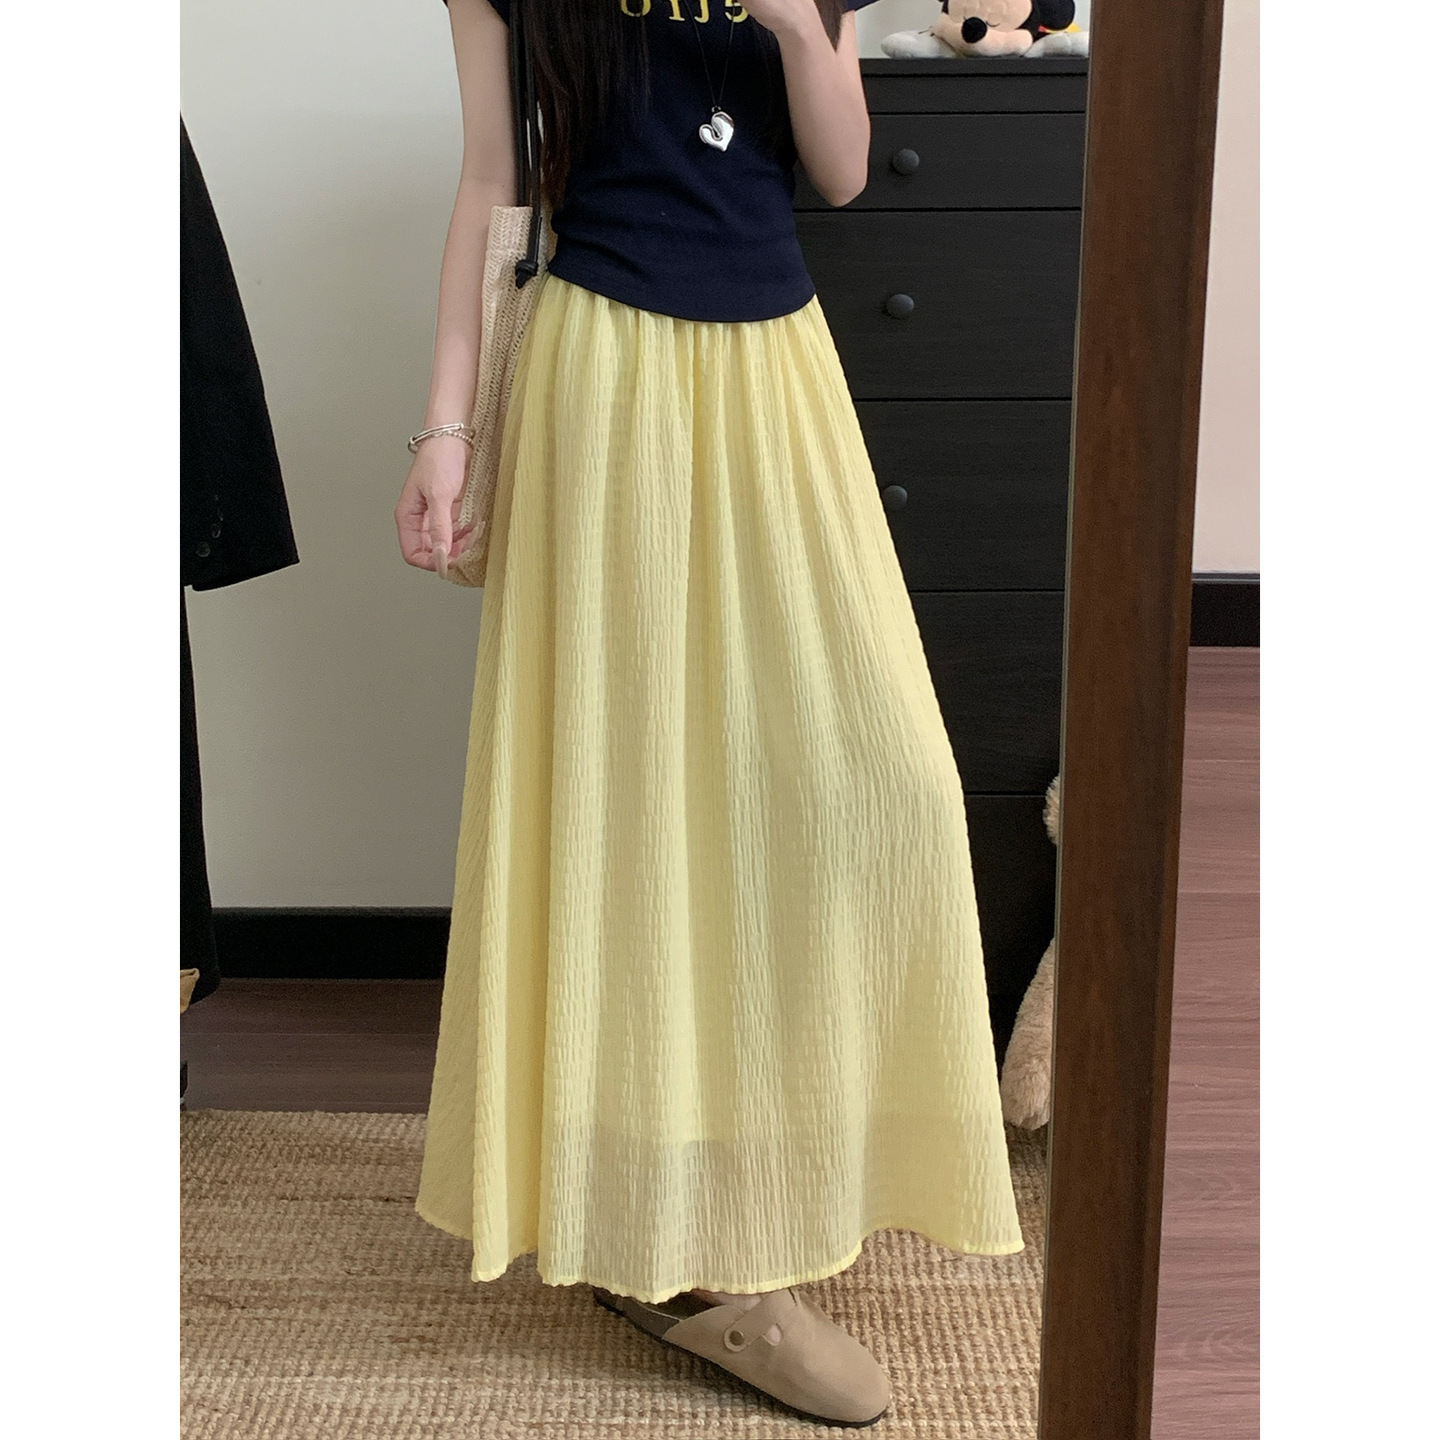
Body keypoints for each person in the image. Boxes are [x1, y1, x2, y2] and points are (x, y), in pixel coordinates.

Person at [395, 0, 1022, 1425]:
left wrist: (798, 25)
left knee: (887, 781)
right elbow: (492, 177)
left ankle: (775, 1176)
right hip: (603, 376)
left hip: (776, 371)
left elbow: (842, 170)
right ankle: (677, 1252)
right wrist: (446, 427)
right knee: (632, 798)